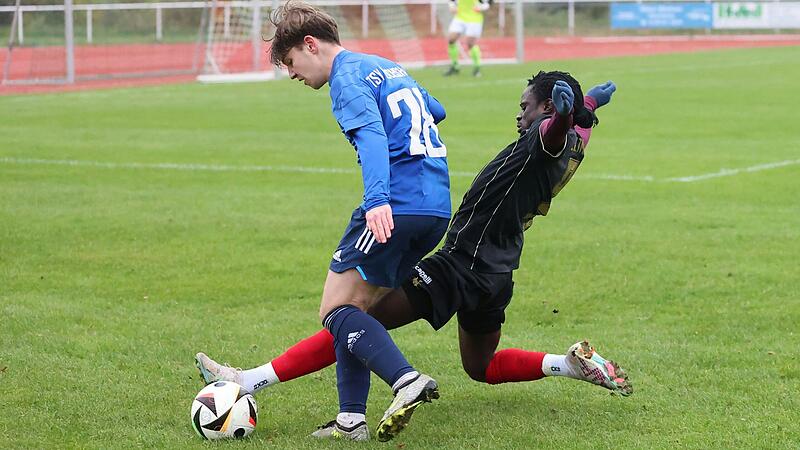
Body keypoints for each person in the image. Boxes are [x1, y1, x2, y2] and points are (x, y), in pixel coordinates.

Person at [197, 71, 630, 441]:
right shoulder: (575, 146)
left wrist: (564, 115)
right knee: (481, 366)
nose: (519, 115)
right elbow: (575, 133)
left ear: (547, 110)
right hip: (497, 275)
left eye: (526, 107)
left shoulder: (545, 138)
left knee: (352, 317)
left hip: (459, 265)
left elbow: (552, 133)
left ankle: (257, 382)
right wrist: (586, 107)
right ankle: (567, 365)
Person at [196, 0, 452, 442]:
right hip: (435, 207)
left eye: (291, 62)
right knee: (355, 311)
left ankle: (405, 380)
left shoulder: (346, 79)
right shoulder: (384, 66)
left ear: (311, 44)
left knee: (335, 310)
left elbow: (371, 136)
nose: (291, 73)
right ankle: (350, 420)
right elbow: (437, 109)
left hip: (397, 203)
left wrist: (377, 200)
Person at [445, 0, 491, 77]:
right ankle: (455, 66)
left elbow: (489, 2)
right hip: (460, 17)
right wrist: (452, 6)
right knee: (451, 39)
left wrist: (481, 7)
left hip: (474, 18)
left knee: (470, 43)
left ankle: (477, 67)